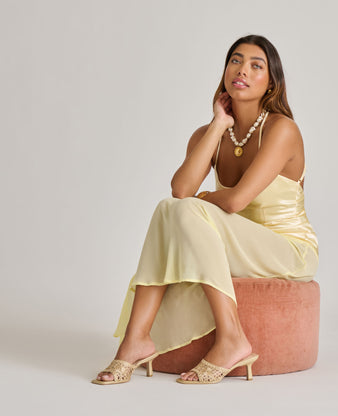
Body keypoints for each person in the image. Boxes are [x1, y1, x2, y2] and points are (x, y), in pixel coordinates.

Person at [91, 34, 319, 385]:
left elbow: (236, 201)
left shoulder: (282, 129)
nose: (242, 70)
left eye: (256, 65)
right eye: (235, 61)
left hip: (288, 249)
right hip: (234, 244)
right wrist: (218, 124)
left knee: (184, 210)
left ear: (271, 83)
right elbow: (181, 191)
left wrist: (204, 198)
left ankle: (232, 338)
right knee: (169, 208)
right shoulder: (207, 134)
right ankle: (136, 339)